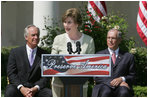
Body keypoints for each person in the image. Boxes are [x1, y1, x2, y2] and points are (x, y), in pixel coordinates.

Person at [51, 8, 95, 97]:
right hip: (59, 84)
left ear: (77, 24)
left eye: (69, 22)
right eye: (65, 22)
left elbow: (92, 63)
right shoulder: (58, 39)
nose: (66, 25)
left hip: (80, 84)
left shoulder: (89, 40)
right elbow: (52, 61)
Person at [5, 25, 52, 97]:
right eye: (33, 35)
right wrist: (21, 88)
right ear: (26, 37)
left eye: (37, 35)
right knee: (10, 92)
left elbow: (46, 77)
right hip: (19, 87)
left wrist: (35, 88)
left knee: (49, 94)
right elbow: (11, 73)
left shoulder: (44, 54)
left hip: (37, 89)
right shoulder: (15, 52)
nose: (36, 37)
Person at [92, 28, 136, 97]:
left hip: (122, 87)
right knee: (106, 91)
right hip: (104, 86)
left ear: (119, 40)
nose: (110, 40)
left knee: (123, 91)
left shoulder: (128, 57)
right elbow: (96, 76)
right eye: (108, 38)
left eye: (113, 38)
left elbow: (133, 76)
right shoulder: (99, 55)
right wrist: (113, 82)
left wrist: (122, 79)